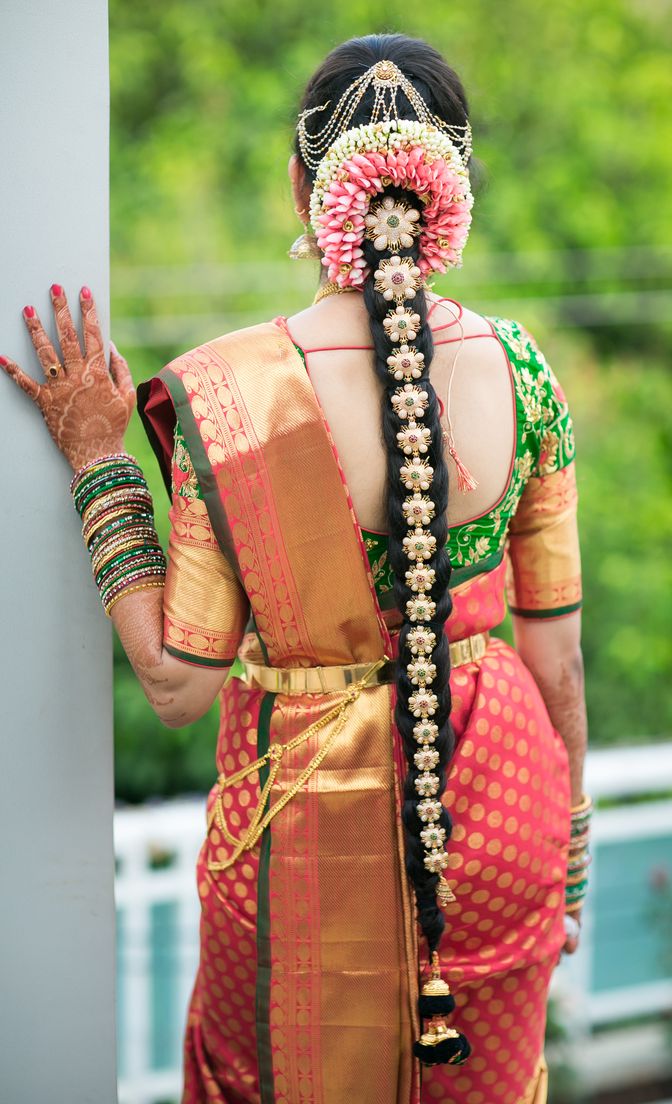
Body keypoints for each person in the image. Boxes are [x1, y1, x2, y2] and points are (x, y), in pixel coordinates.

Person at [1, 33, 591, 1104]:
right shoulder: (523, 372)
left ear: (299, 184)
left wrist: (99, 465)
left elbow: (177, 687)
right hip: (507, 808)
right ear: (458, 187)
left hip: (301, 825)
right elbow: (558, 665)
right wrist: (573, 844)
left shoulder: (232, 394)